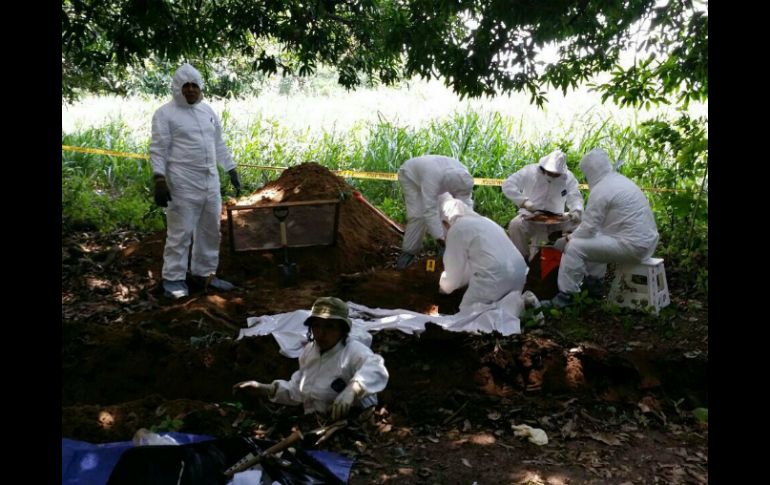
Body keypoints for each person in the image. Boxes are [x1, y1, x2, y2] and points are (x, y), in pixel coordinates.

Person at [150, 63, 242, 299]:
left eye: (194, 85)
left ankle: (204, 274)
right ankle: (173, 279)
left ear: (200, 88)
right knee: (180, 233)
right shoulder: (165, 114)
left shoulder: (207, 112)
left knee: (210, 231)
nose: (190, 90)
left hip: (210, 182)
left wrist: (230, 168)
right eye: (186, 85)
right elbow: (159, 149)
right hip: (182, 183)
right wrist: (159, 178)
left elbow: (218, 144)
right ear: (177, 87)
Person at [232, 297, 389, 420]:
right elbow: (298, 390)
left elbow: (375, 369)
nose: (321, 333)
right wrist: (263, 388)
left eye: (329, 327)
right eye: (316, 326)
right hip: (317, 423)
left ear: (342, 330)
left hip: (354, 423)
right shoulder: (309, 352)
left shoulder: (354, 351)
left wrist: (352, 390)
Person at [547, 148, 659, 308]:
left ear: (590, 171)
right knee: (593, 240)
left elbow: (588, 228)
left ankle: (566, 297)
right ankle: (594, 287)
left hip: (632, 246)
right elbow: (593, 229)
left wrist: (567, 239)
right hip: (646, 243)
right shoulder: (620, 181)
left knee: (574, 247)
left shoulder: (602, 189)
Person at [438, 198, 529, 312]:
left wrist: (443, 288)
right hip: (519, 274)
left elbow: (453, 275)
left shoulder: (457, 229)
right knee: (507, 311)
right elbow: (473, 266)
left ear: (445, 221)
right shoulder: (486, 222)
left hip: (494, 278)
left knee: (468, 314)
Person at [502, 149, 584, 261]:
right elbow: (508, 184)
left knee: (580, 225)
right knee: (515, 225)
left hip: (556, 219)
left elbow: (575, 196)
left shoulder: (568, 177)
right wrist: (524, 202)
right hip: (530, 215)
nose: (553, 176)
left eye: (556, 174)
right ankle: (522, 259)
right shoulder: (529, 171)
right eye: (550, 173)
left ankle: (568, 258)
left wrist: (576, 211)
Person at [396, 154, 475, 269]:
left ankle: (445, 255)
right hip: (411, 177)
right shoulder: (432, 178)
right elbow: (430, 211)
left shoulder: (463, 177)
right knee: (418, 216)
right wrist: (440, 239)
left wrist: (469, 228)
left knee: (448, 210)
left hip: (438, 179)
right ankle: (407, 255)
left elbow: (465, 205)